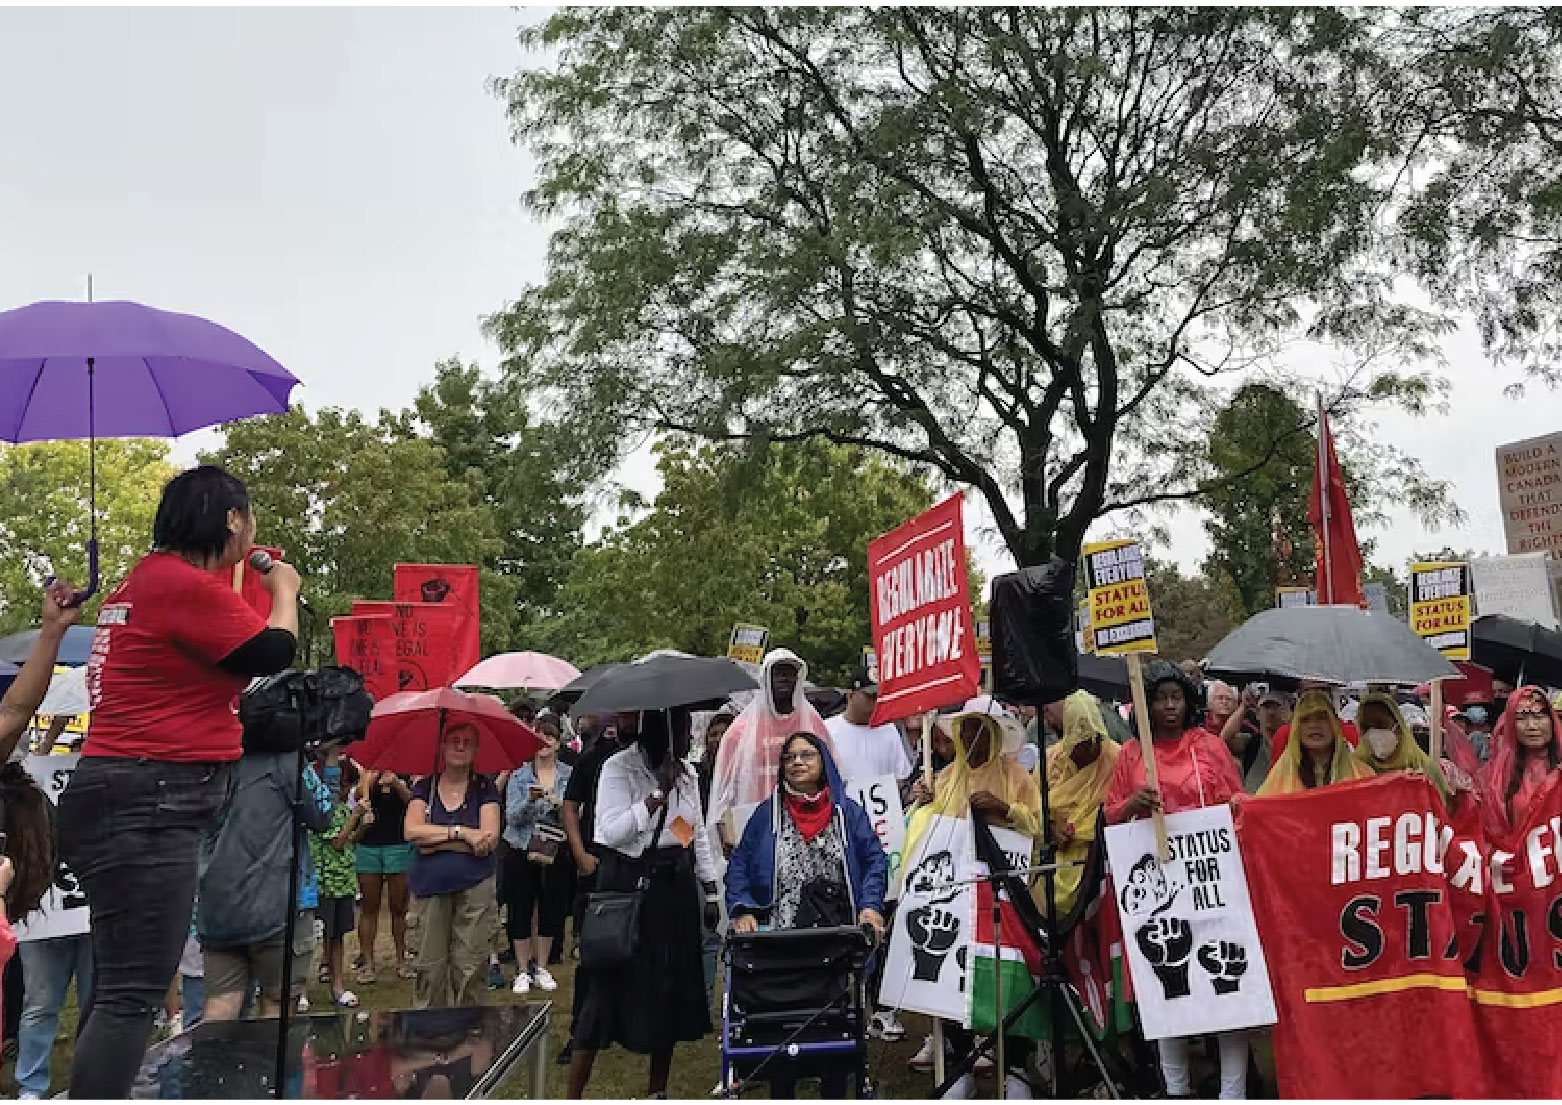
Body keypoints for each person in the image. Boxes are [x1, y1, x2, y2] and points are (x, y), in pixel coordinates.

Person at [57, 466, 301, 1098]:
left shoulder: (154, 580)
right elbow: (272, 652)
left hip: (130, 794)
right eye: (247, 517)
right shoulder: (177, 583)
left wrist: (252, 579)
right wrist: (287, 589)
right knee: (134, 991)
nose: (253, 530)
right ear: (228, 519)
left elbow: (234, 649)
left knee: (120, 987)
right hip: (149, 798)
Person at [1104, 660, 1248, 1100]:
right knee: (1169, 984)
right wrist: (1132, 804)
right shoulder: (1131, 755)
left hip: (1212, 881)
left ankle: (1233, 1091)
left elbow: (1238, 801)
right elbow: (1110, 816)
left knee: (1228, 986)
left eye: (1177, 697)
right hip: (1160, 890)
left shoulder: (1208, 746)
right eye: (1161, 699)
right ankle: (1176, 1089)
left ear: (1188, 702)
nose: (1170, 706)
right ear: (1146, 705)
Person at [725, 732, 887, 1100]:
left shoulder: (847, 812)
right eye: (789, 757)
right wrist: (742, 908)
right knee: (784, 1031)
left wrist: (870, 906)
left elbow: (874, 859)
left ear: (823, 763)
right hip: (785, 938)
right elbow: (739, 865)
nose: (797, 762)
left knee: (835, 1031)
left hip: (837, 937)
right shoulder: (767, 814)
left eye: (806, 756)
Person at [568, 710, 719, 1100]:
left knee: (667, 989)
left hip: (674, 887)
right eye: (683, 730)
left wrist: (709, 887)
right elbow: (609, 832)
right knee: (605, 990)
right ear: (660, 731)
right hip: (628, 883)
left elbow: (692, 829)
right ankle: (573, 1093)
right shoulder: (618, 768)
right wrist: (655, 797)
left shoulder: (686, 771)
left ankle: (657, 1091)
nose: (690, 738)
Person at [903, 704, 1041, 1093]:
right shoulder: (946, 776)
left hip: (1004, 896)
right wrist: (924, 800)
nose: (972, 739)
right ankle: (960, 1066)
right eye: (966, 731)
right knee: (954, 976)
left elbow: (1038, 823)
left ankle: (1013, 1071)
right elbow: (927, 831)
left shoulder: (1015, 775)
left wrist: (1003, 809)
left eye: (980, 730)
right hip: (955, 896)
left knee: (1007, 979)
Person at [198, 740, 335, 1022]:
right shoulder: (287, 759)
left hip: (219, 905)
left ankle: (214, 1064)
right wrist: (330, 765)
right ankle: (271, 1067)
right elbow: (323, 816)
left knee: (222, 1003)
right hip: (280, 906)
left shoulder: (211, 756)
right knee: (278, 1004)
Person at [403, 723, 502, 1009]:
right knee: (429, 968)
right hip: (429, 887)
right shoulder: (424, 788)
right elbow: (411, 832)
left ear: (476, 750)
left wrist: (434, 839)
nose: (460, 746)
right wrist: (463, 834)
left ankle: (469, 1038)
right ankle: (429, 1039)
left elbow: (489, 839)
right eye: (454, 740)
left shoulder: (485, 788)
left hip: (476, 886)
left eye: (467, 742)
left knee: (469, 966)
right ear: (442, 747)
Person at [556, 713, 635, 1068]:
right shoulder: (593, 756)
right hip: (598, 865)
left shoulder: (649, 756)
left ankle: (629, 1024)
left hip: (637, 867)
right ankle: (582, 1031)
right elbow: (569, 808)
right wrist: (579, 853)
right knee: (596, 952)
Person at [706, 649, 833, 855]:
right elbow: (724, 790)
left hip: (807, 827)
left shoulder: (813, 723)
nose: (784, 678)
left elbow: (833, 776)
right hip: (755, 830)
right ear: (766, 677)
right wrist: (725, 832)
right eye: (778, 672)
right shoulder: (740, 731)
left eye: (789, 672)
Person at [503, 713, 573, 995]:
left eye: (550, 736)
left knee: (550, 907)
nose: (544, 742)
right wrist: (531, 802)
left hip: (553, 847)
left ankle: (542, 965)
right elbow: (511, 816)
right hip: (521, 847)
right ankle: (522, 969)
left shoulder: (568, 774)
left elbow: (573, 814)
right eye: (539, 736)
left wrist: (558, 806)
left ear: (558, 743)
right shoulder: (518, 774)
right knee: (519, 907)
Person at [1040, 691, 1121, 918]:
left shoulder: (1118, 759)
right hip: (1056, 865)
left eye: (1092, 741)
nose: (1086, 749)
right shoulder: (1052, 761)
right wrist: (1051, 829)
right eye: (1079, 742)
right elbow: (1032, 808)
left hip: (1103, 867)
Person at [310, 753, 373, 1008]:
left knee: (337, 937)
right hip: (322, 883)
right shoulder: (319, 812)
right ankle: (301, 989)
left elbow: (350, 842)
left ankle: (338, 986)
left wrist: (363, 827)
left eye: (347, 785)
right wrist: (355, 818)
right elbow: (336, 841)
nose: (344, 790)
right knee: (313, 939)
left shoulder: (345, 809)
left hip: (344, 882)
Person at [355, 766, 416, 985]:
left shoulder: (406, 769)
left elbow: (414, 802)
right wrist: (370, 781)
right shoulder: (367, 771)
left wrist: (397, 783)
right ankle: (368, 963)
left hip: (399, 844)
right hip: (368, 846)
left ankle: (402, 960)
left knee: (399, 907)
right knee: (369, 907)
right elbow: (357, 797)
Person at [1477, 687, 1562, 842]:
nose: (1531, 726)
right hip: (1513, 860)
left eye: (1538, 716)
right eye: (1521, 718)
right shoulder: (1494, 776)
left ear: (1552, 721)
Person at [1257, 691, 1377, 795]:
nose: (1314, 725)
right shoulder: (1280, 776)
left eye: (1322, 717)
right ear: (1296, 728)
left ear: (1334, 724)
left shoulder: (1363, 774)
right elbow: (1260, 808)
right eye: (1305, 719)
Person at [825, 667, 914, 788]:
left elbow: (900, 777)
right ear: (850, 695)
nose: (876, 703)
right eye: (871, 697)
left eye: (880, 697)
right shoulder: (826, 730)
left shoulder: (889, 730)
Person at [1352, 693, 1450, 799]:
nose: (1372, 732)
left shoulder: (1425, 769)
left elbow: (1442, 811)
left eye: (1380, 725)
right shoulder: (1354, 771)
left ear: (1398, 727)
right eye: (1366, 728)